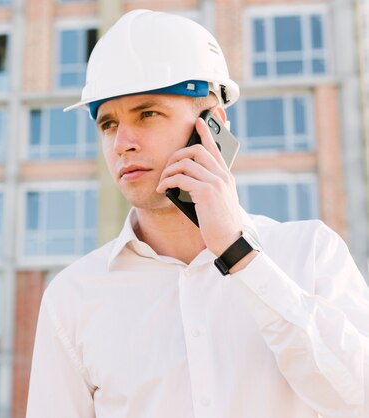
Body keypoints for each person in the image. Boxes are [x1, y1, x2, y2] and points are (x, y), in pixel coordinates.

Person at [25, 9, 369, 418]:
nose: (122, 143)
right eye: (108, 124)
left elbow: (357, 400)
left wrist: (240, 256)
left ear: (212, 124)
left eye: (147, 114)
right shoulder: (72, 297)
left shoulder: (311, 253)